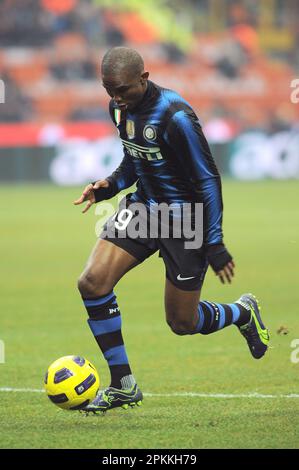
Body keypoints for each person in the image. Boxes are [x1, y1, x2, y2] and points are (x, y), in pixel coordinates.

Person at [74, 47, 269, 414]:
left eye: (123, 90)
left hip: (187, 220)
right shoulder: (119, 107)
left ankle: (243, 313)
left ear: (144, 79)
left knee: (183, 322)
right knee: (92, 282)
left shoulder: (176, 115)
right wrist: (110, 186)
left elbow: (208, 179)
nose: (116, 98)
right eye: (108, 89)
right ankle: (123, 385)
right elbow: (135, 159)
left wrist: (214, 241)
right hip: (145, 209)